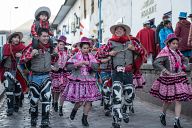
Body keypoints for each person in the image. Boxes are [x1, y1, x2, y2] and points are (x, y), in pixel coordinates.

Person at [97, 22, 143, 128]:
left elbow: (142, 52)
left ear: (124, 31)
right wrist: (109, 53)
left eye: (120, 29)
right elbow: (99, 53)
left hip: (128, 72)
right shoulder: (111, 42)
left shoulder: (131, 42)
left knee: (130, 95)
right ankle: (116, 120)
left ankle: (125, 109)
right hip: (116, 72)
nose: (118, 31)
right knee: (117, 95)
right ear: (114, 32)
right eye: (116, 29)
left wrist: (134, 49)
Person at [150, 33, 192, 128]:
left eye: (177, 43)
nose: (175, 45)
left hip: (178, 77)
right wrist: (165, 71)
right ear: (168, 43)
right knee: (168, 101)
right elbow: (156, 63)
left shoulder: (178, 52)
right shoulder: (164, 52)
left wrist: (183, 66)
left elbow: (185, 59)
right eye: (173, 43)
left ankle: (176, 121)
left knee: (178, 99)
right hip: (168, 79)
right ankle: (163, 114)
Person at [20, 28, 58, 128]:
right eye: (43, 36)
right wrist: (31, 54)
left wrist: (55, 55)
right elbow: (22, 60)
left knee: (47, 98)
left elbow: (54, 61)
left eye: (47, 36)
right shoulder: (32, 47)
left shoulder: (51, 47)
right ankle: (33, 119)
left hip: (46, 76)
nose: (46, 38)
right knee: (34, 100)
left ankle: (45, 121)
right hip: (35, 77)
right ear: (38, 37)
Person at [61, 37, 102, 126]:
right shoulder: (75, 56)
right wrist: (77, 64)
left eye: (87, 48)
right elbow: (67, 67)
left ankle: (84, 118)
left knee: (89, 101)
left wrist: (89, 63)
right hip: (79, 82)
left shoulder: (92, 57)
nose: (86, 50)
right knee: (79, 102)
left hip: (89, 82)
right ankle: (74, 110)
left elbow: (97, 68)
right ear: (80, 48)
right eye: (84, 48)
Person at [1, 32, 25, 116]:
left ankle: (16, 104)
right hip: (7, 71)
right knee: (9, 89)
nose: (16, 39)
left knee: (18, 89)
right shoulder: (6, 46)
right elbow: (4, 55)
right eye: (15, 37)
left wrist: (21, 55)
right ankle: (10, 108)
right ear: (11, 39)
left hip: (17, 71)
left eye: (18, 38)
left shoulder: (22, 48)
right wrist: (14, 54)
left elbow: (25, 58)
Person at [50, 35, 70, 116]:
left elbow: (69, 61)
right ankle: (55, 102)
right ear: (58, 44)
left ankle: (60, 107)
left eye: (63, 44)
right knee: (56, 90)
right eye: (60, 44)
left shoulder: (66, 52)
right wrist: (53, 68)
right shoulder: (54, 52)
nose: (62, 46)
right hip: (55, 73)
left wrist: (67, 66)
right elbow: (48, 62)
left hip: (63, 73)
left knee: (63, 91)